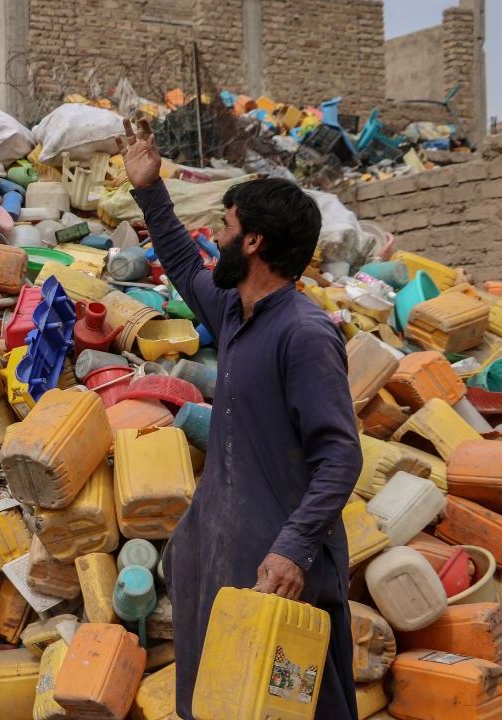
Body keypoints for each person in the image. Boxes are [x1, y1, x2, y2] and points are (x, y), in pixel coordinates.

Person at [118, 119, 361, 720]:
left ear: (252, 242)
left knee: (296, 706)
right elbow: (182, 262)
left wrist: (294, 548)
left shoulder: (303, 334)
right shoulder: (236, 313)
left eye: (224, 226)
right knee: (224, 701)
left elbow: (341, 455)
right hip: (228, 551)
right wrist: (149, 189)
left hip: (280, 565)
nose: (214, 235)